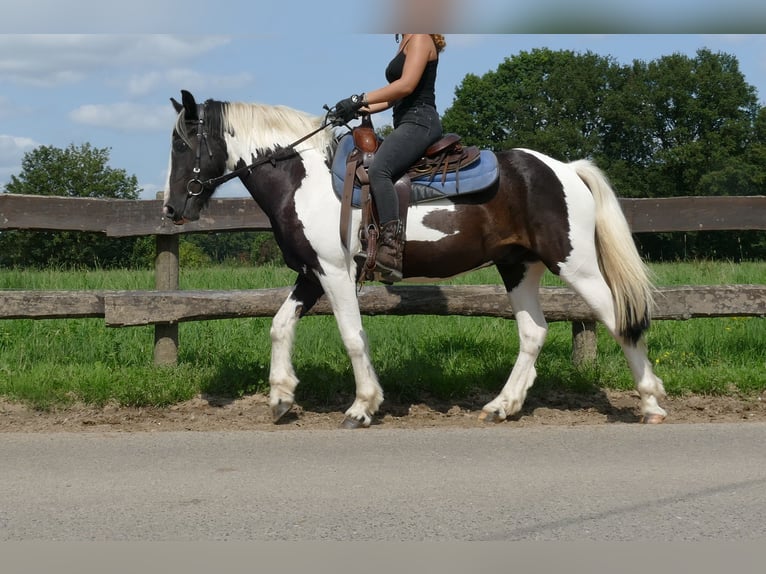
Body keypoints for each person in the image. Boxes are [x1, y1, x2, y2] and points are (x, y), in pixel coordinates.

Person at [332, 34, 446, 282]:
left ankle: (391, 250)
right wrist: (354, 110)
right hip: (406, 120)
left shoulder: (420, 37)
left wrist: (358, 98)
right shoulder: (405, 41)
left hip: (420, 121)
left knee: (379, 170)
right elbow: (393, 98)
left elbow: (406, 85)